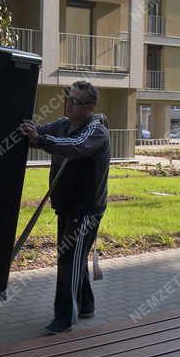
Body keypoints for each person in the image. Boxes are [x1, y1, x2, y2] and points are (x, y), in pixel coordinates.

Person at [18, 80, 110, 334]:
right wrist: (30, 131)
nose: (68, 104)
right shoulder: (64, 125)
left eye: (75, 101)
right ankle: (87, 305)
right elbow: (40, 135)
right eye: (68, 99)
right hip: (67, 206)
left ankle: (64, 319)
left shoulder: (96, 131)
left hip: (86, 211)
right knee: (73, 258)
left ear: (90, 107)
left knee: (69, 260)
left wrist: (41, 138)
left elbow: (75, 146)